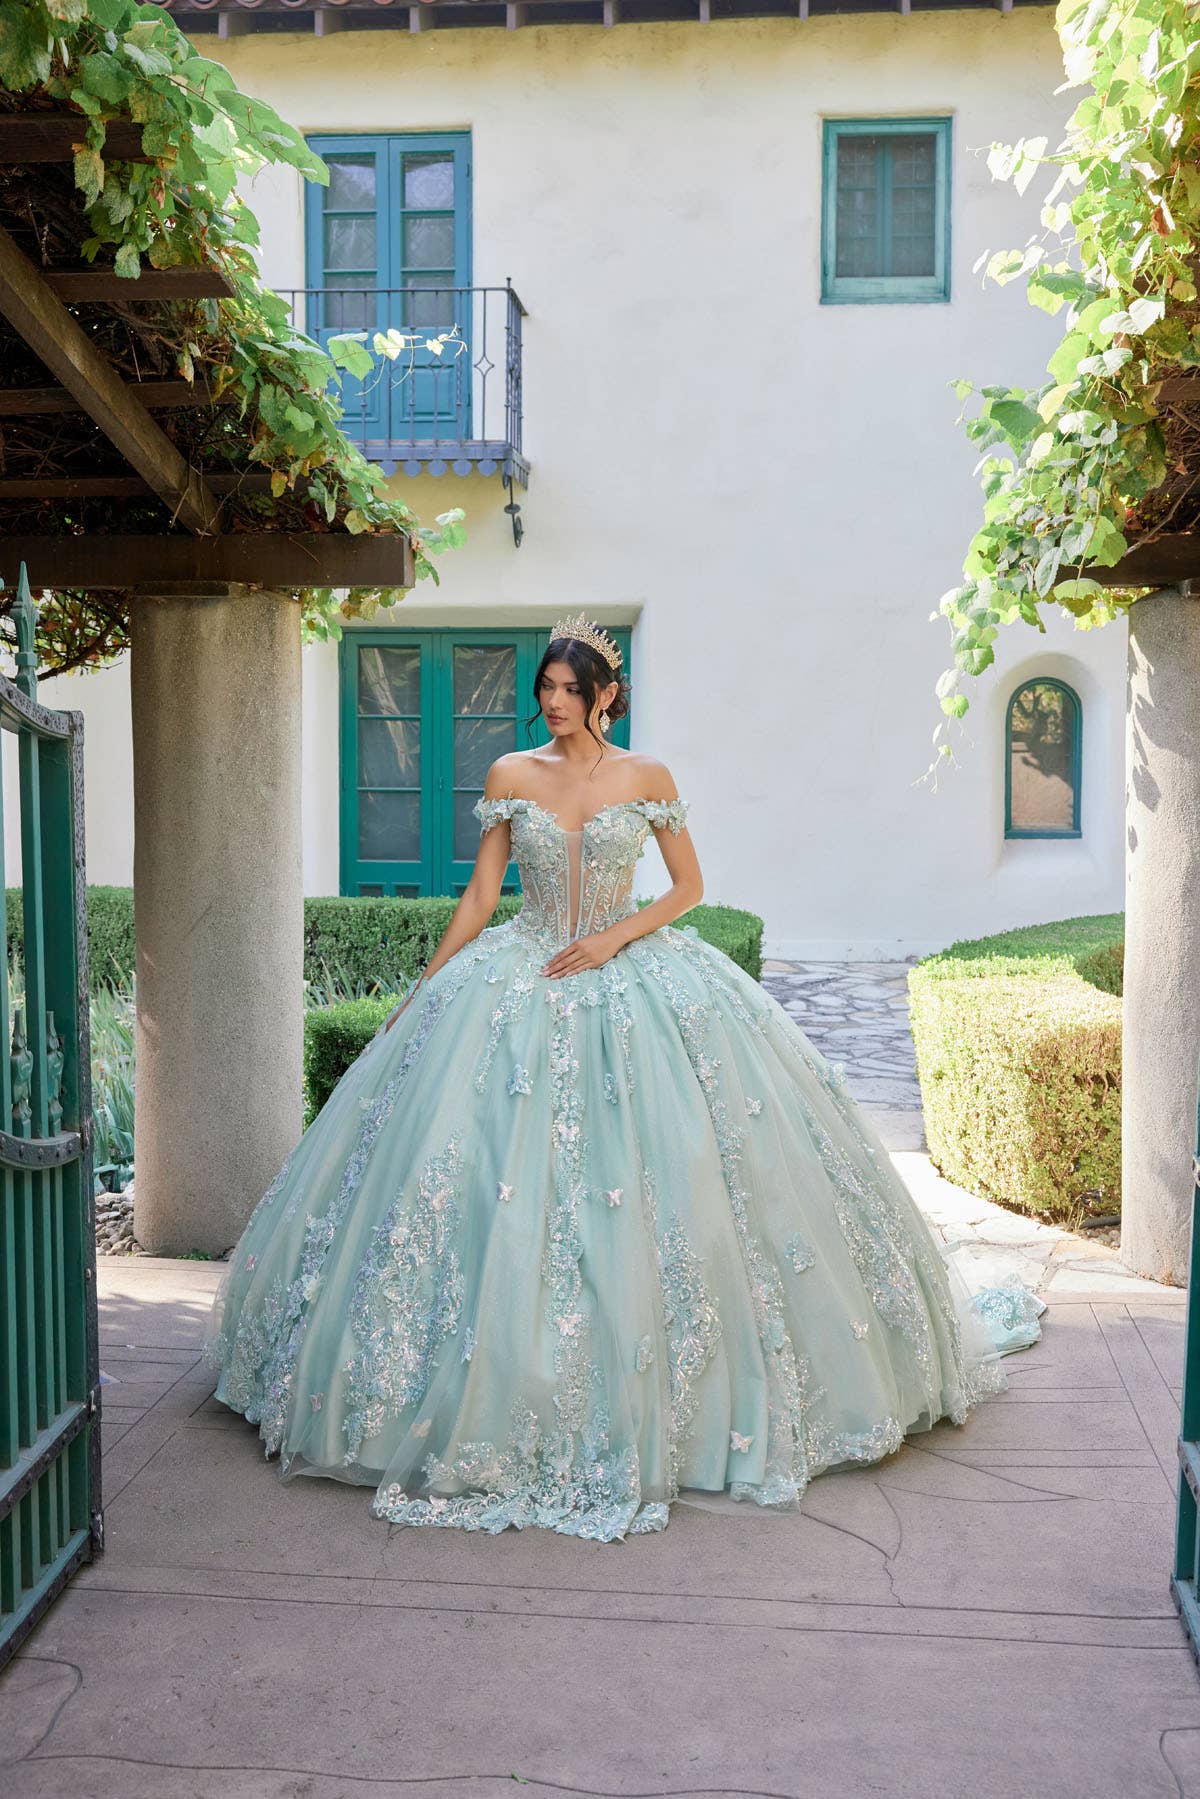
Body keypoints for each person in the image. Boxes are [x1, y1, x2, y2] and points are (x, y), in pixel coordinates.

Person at [201, 613, 1045, 1541]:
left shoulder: (648, 778)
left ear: (605, 693)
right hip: (520, 971)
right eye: (545, 693)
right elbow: (483, 895)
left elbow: (685, 888)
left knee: (673, 1180)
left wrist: (611, 936)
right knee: (479, 1179)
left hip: (625, 968)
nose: (555, 706)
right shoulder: (511, 776)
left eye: (570, 691)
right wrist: (428, 984)